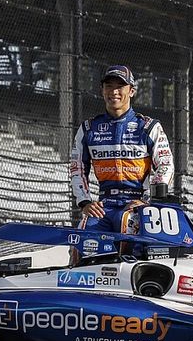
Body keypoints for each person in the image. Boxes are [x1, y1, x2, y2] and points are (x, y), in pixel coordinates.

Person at [69, 65, 174, 236]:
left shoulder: (148, 126)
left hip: (137, 205)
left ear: (131, 91)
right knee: (82, 238)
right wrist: (85, 202)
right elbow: (77, 168)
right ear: (102, 90)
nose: (114, 92)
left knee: (130, 235)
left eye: (120, 86)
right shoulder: (88, 128)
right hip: (104, 206)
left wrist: (147, 200)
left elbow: (166, 164)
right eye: (109, 86)